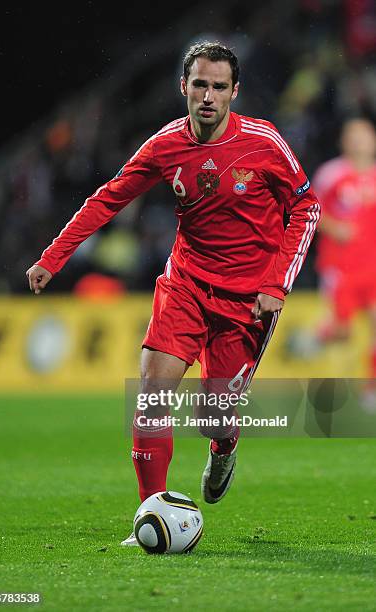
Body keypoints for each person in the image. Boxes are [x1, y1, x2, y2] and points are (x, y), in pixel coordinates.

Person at [26, 41, 320, 545]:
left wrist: (277, 284)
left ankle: (224, 447)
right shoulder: (165, 146)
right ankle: (150, 513)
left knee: (216, 416)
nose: (208, 96)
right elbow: (107, 199)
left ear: (235, 92)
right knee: (152, 397)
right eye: (200, 84)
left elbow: (307, 207)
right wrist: (53, 258)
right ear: (183, 87)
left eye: (219, 86)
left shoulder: (265, 143)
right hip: (186, 283)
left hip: (248, 300)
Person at [309, 118, 376, 404]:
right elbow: (310, 210)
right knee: (342, 331)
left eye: (366, 135)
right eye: (355, 136)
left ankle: (371, 389)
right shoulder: (331, 174)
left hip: (372, 267)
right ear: (345, 141)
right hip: (340, 268)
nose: (361, 141)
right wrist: (335, 227)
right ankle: (312, 339)